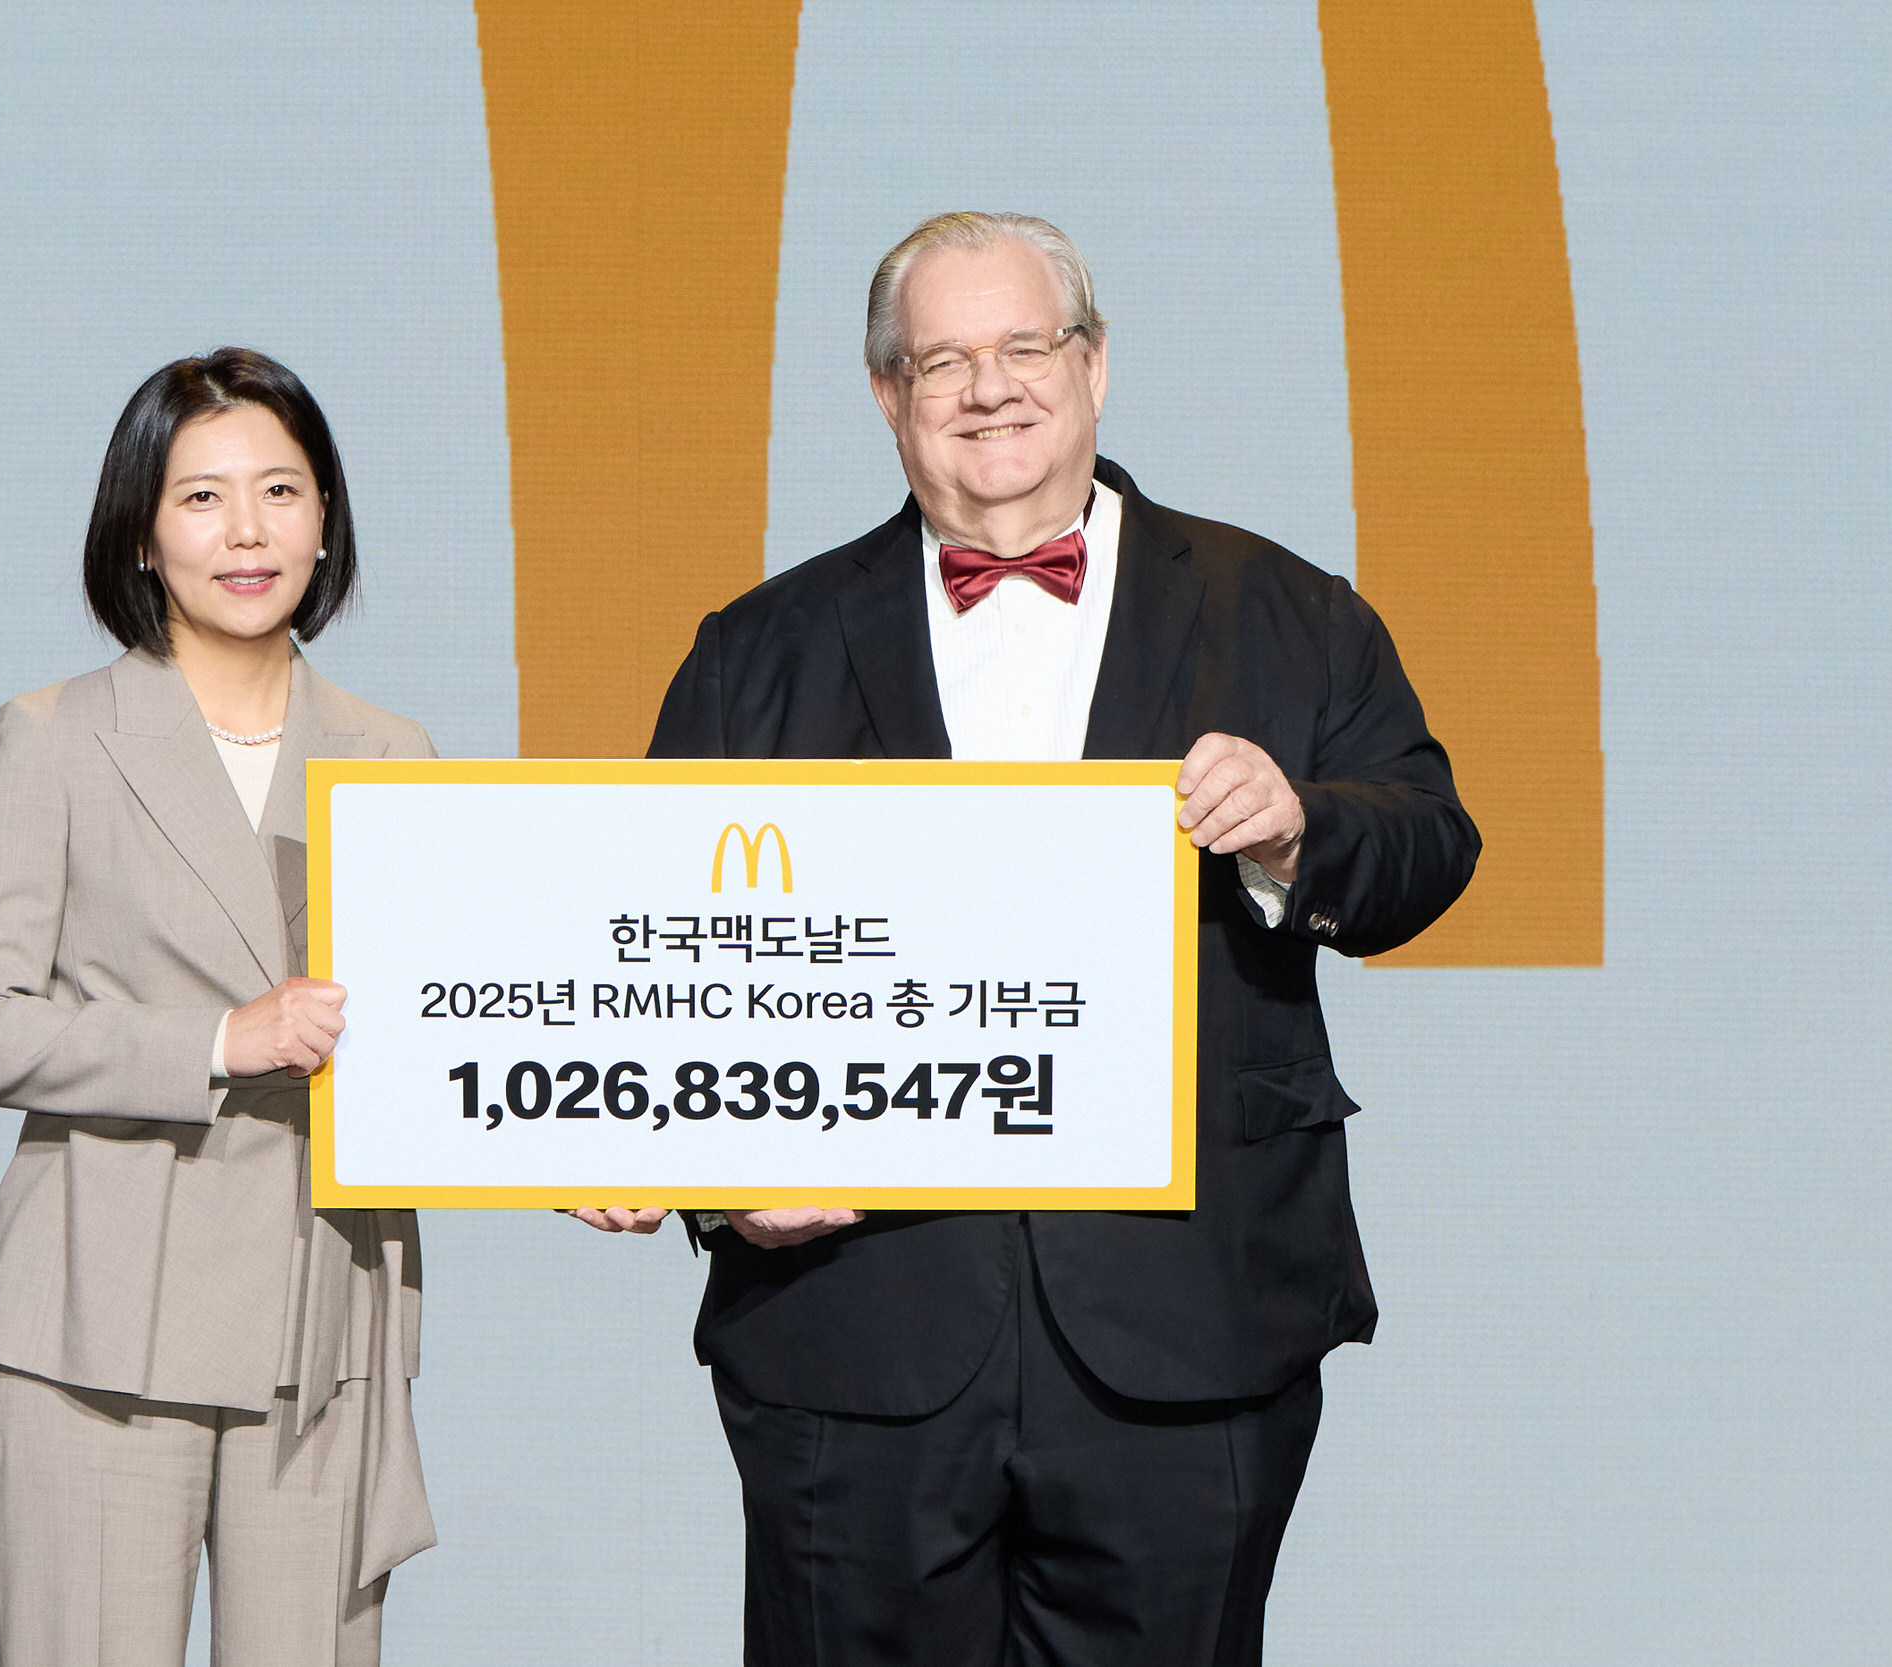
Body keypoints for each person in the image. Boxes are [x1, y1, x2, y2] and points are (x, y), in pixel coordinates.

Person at [578, 213, 1479, 1665]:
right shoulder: (757, 650)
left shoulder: (1286, 608)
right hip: (854, 1331)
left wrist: (1294, 829)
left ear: (1095, 365)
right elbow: (662, 966)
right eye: (943, 361)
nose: (988, 388)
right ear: (888, 396)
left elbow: (1430, 843)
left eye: (1024, 346)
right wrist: (713, 1176)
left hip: (1188, 1321)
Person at [0, 348, 435, 1667]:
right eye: (203, 497)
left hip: (326, 1320)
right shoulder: (54, 735)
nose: (248, 531)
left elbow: (450, 1031)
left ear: (326, 518)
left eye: (282, 490)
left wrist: (579, 1163)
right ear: (142, 534)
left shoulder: (396, 754)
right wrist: (217, 1042)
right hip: (99, 1323)